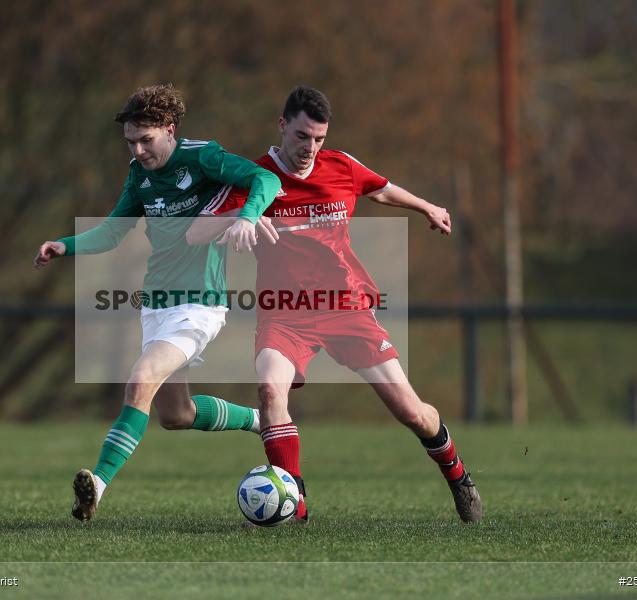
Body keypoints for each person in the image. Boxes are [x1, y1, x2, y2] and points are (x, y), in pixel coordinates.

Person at [186, 85, 482, 523]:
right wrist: (245, 218)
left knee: (412, 413)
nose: (310, 147)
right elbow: (196, 231)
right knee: (270, 391)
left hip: (346, 307)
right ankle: (296, 505)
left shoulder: (340, 165)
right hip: (284, 311)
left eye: (319, 138)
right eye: (302, 136)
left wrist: (426, 207)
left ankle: (458, 476)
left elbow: (379, 189)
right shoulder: (256, 179)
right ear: (282, 125)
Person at [34, 84, 281, 521]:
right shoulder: (139, 175)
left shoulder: (202, 157)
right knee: (176, 414)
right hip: (158, 305)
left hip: (200, 304)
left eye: (146, 140)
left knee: (140, 380)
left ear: (170, 130)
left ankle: (98, 484)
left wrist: (247, 216)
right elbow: (112, 232)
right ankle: (260, 419)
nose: (138, 149)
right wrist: (64, 245)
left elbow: (267, 178)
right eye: (131, 141)